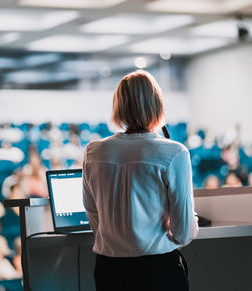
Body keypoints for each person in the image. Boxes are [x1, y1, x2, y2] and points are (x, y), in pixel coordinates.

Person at [82, 70, 198, 291]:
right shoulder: (174, 152)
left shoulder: (93, 152)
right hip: (157, 270)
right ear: (157, 104)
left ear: (119, 106)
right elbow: (183, 232)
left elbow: (93, 214)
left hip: (109, 270)